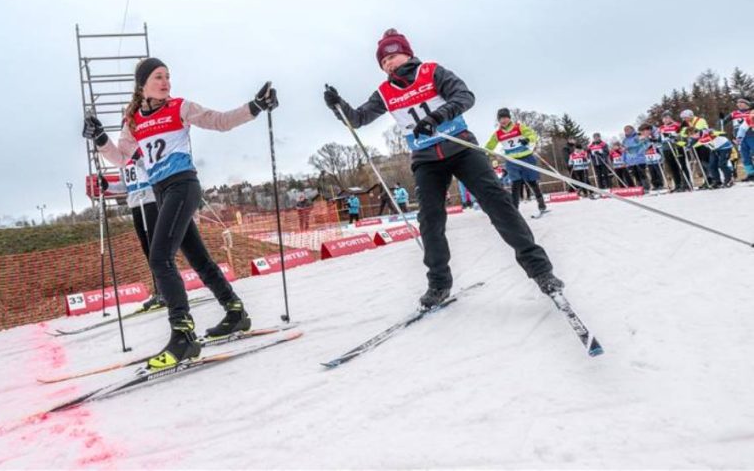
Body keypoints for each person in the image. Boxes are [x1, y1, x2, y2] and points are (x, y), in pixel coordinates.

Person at [323, 29, 562, 307]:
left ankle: (541, 271)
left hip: (460, 148)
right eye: (383, 61)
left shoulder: (431, 71)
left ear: (407, 54)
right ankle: (439, 284)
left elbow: (465, 96)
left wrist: (437, 116)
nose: (388, 63)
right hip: (426, 159)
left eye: (393, 56)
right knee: (430, 219)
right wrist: (338, 106)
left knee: (499, 205)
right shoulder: (385, 92)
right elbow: (358, 119)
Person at [82, 57, 278, 370]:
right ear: (143, 85)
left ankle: (183, 336)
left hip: (183, 186)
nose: (166, 83)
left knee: (160, 258)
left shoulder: (180, 107)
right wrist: (99, 137)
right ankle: (235, 310)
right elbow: (122, 158)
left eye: (167, 77)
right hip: (162, 194)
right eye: (158, 77)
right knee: (198, 258)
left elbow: (220, 121)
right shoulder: (134, 120)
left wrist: (254, 106)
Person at [100, 149, 166, 311]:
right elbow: (125, 186)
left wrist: (140, 160)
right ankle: (159, 290)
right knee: (147, 249)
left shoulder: (145, 150)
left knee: (157, 248)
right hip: (135, 205)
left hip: (150, 202)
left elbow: (157, 173)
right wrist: (108, 186)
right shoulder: (123, 160)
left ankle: (167, 290)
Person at [485, 108, 547, 213]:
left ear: (509, 118)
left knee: (532, 181)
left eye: (505, 118)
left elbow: (532, 134)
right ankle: (515, 210)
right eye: (500, 119)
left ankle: (541, 204)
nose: (503, 120)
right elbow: (489, 146)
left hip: (526, 157)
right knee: (516, 183)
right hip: (512, 160)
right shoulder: (497, 134)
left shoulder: (519, 127)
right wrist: (484, 153)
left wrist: (527, 139)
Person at [658, 111, 691, 192]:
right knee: (673, 168)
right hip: (666, 149)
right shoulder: (661, 128)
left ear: (670, 118)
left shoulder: (677, 125)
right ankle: (678, 184)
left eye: (667, 117)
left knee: (681, 165)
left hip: (676, 147)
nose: (665, 120)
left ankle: (686, 183)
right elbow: (660, 139)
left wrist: (672, 136)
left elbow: (682, 135)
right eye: (664, 118)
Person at [723, 98, 754, 181]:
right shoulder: (734, 113)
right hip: (741, 138)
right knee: (745, 156)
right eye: (738, 103)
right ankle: (751, 174)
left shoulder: (751, 112)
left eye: (741, 103)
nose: (739, 104)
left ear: (747, 104)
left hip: (751, 136)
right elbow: (724, 121)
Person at [680, 109, 711, 188]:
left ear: (691, 116)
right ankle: (707, 180)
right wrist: (686, 130)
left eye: (685, 117)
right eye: (683, 118)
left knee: (705, 161)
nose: (684, 119)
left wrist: (688, 131)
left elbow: (696, 130)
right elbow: (682, 134)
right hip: (695, 145)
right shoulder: (687, 123)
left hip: (704, 143)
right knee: (700, 162)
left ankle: (711, 178)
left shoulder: (700, 120)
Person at [623, 125, 650, 191]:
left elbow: (643, 145)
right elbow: (623, 150)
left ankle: (646, 187)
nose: (626, 131)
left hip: (639, 158)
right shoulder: (624, 140)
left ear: (632, 129)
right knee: (635, 175)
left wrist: (639, 152)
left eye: (628, 129)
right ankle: (639, 188)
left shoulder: (637, 136)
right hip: (630, 160)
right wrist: (624, 160)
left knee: (642, 173)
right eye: (625, 130)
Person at [639, 124, 665, 190]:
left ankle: (661, 184)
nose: (642, 133)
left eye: (643, 131)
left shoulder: (656, 133)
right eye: (641, 132)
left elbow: (658, 142)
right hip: (649, 157)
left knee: (658, 170)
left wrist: (649, 139)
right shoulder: (643, 137)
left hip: (657, 155)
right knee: (651, 171)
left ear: (648, 130)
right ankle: (655, 185)